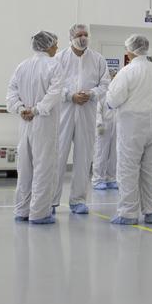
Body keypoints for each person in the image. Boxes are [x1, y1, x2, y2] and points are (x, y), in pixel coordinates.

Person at [105, 34, 152, 225]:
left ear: (130, 50)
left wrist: (108, 101)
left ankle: (128, 213)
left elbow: (113, 99)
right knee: (151, 169)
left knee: (128, 167)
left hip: (132, 124)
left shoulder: (127, 71)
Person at [51, 24, 110, 214]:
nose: (83, 37)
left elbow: (105, 84)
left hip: (87, 112)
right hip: (64, 112)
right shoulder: (59, 58)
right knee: (58, 157)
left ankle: (78, 200)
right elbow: (53, 86)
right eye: (79, 34)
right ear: (71, 37)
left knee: (84, 158)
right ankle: (51, 201)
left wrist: (91, 93)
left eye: (86, 34)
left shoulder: (98, 59)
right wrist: (70, 96)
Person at [6, 31, 63, 224]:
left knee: (25, 167)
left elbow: (11, 93)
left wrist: (21, 109)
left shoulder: (22, 66)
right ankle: (39, 213)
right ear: (47, 45)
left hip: (25, 123)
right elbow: (55, 93)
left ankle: (22, 210)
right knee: (44, 167)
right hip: (43, 123)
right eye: (55, 44)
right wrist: (37, 110)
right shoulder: (54, 65)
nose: (57, 47)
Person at [92, 66, 119, 191]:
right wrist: (99, 124)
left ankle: (111, 178)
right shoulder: (102, 93)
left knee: (114, 154)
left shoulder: (118, 93)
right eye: (112, 77)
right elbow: (97, 110)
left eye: (115, 77)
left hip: (116, 126)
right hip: (103, 127)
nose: (114, 78)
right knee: (101, 153)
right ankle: (98, 179)